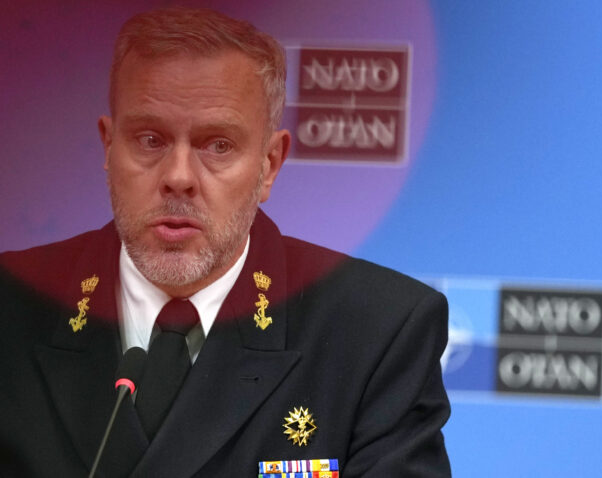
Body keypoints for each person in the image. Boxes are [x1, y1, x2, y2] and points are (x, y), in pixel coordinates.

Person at [0, 7, 450, 477]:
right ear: (109, 148)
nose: (178, 177)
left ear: (269, 165)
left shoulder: (378, 333)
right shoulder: (11, 305)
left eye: (218, 145)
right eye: (150, 139)